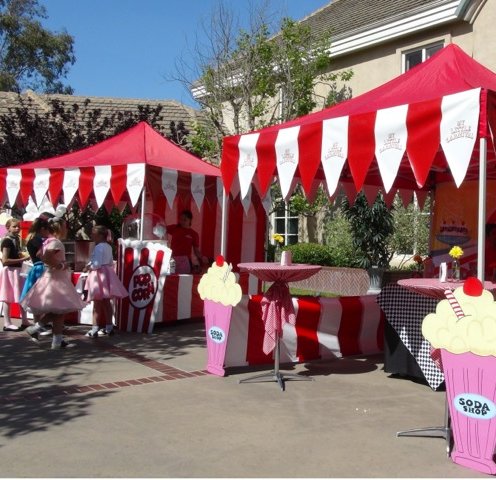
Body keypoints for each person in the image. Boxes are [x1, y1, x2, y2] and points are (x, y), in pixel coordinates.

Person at [22, 216, 86, 349]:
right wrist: (61, 265)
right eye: (64, 226)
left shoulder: (49, 241)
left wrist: (57, 264)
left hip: (54, 277)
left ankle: (55, 340)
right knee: (59, 310)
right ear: (59, 228)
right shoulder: (55, 242)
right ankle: (41, 331)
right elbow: (45, 257)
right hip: (55, 279)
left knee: (59, 312)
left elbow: (40, 254)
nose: (66, 229)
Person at [83, 225, 127, 338]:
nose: (92, 235)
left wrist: (88, 267)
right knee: (107, 302)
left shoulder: (98, 247)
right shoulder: (108, 246)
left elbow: (96, 264)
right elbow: (110, 262)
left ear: (100, 235)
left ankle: (94, 329)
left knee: (97, 304)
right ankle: (109, 327)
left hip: (99, 276)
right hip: (108, 274)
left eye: (94, 233)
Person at [19, 213, 53, 335]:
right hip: (40, 268)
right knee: (39, 297)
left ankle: (39, 324)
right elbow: (42, 255)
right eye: (48, 229)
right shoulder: (36, 240)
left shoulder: (33, 239)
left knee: (38, 297)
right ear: (42, 229)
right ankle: (38, 324)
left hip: (38, 268)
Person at [0, 217, 31, 331]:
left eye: (18, 226)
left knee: (22, 295)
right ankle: (7, 323)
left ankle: (24, 320)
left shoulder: (16, 239)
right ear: (8, 228)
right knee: (7, 297)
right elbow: (5, 260)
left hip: (17, 270)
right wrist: (23, 259)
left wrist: (21, 256)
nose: (17, 228)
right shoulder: (7, 241)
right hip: (10, 271)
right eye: (14, 226)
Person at [166, 210, 204, 274]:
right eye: (180, 219)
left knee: (183, 279)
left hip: (185, 260)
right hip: (172, 258)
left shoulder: (193, 234)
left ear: (190, 220)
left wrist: (202, 259)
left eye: (185, 220)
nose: (182, 221)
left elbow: (196, 251)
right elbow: (162, 228)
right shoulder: (174, 228)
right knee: (171, 278)